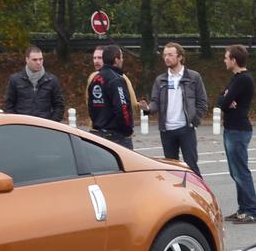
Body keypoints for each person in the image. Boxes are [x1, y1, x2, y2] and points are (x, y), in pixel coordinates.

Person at [138, 43, 207, 176]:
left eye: (170, 55)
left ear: (180, 57)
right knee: (172, 168)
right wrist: (147, 108)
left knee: (191, 166)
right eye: (165, 55)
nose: (166, 58)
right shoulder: (160, 80)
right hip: (167, 130)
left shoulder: (193, 77)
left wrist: (194, 120)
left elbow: (202, 102)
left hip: (186, 129)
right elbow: (155, 102)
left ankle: (198, 189)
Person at [217, 45, 256, 224]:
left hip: (238, 130)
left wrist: (227, 99)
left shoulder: (243, 79)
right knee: (235, 172)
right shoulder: (236, 78)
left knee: (241, 172)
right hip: (231, 129)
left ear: (234, 60)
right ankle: (242, 209)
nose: (224, 60)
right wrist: (226, 98)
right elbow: (221, 99)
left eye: (226, 58)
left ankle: (251, 210)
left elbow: (223, 102)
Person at [87, 44, 134, 148]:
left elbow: (90, 105)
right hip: (115, 136)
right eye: (121, 57)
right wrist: (127, 129)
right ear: (116, 60)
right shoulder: (116, 80)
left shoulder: (95, 79)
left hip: (98, 134)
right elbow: (122, 107)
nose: (122, 60)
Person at [2, 46, 65, 121]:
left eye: (40, 59)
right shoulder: (15, 80)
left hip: (44, 125)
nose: (38, 62)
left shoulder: (52, 80)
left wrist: (51, 123)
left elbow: (59, 106)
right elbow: (8, 105)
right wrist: (16, 122)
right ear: (27, 59)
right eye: (34, 60)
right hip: (21, 124)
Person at [87, 46, 138, 122]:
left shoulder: (119, 78)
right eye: (94, 58)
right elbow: (89, 103)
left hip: (111, 125)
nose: (96, 61)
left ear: (106, 58)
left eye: (100, 58)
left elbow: (131, 103)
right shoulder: (92, 77)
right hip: (102, 125)